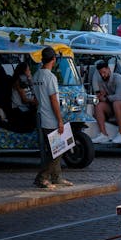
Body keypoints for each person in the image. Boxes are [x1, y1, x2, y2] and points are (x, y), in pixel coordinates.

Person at [32, 46, 70, 189]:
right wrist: (60, 120)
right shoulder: (50, 77)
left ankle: (57, 177)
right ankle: (42, 177)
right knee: (58, 151)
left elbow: (36, 99)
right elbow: (54, 100)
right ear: (53, 59)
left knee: (53, 149)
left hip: (40, 116)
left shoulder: (36, 76)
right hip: (50, 119)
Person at [90, 59, 121, 143]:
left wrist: (106, 98)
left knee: (116, 104)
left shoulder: (118, 78)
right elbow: (102, 95)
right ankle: (104, 134)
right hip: (114, 105)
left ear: (109, 69)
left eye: (104, 72)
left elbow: (118, 97)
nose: (103, 75)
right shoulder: (102, 81)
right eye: (101, 73)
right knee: (99, 106)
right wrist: (102, 96)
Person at [7, 61, 37, 133]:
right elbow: (24, 99)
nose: (30, 71)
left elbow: (34, 90)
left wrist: (30, 79)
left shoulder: (25, 80)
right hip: (19, 110)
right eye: (28, 70)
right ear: (24, 71)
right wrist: (35, 101)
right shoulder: (18, 82)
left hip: (25, 108)